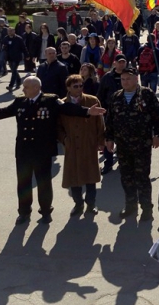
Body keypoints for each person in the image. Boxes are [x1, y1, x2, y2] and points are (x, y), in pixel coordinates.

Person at [0, 76, 105, 224]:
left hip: (42, 150)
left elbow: (68, 108)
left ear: (36, 88)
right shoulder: (20, 102)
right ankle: (24, 212)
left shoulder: (50, 100)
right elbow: (3, 112)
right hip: (24, 150)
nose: (23, 89)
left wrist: (87, 111)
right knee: (23, 183)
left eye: (26, 87)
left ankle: (45, 211)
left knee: (43, 183)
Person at [104, 67, 159, 221]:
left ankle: (146, 209)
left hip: (142, 145)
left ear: (136, 78)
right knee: (126, 177)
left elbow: (158, 116)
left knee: (142, 178)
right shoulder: (116, 97)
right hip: (122, 146)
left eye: (128, 78)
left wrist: (157, 134)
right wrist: (109, 138)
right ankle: (130, 205)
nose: (125, 82)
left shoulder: (146, 94)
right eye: (123, 79)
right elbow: (109, 120)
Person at [57, 74, 104, 216]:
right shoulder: (62, 104)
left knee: (91, 176)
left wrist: (100, 141)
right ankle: (78, 204)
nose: (79, 89)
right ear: (68, 88)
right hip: (71, 146)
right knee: (74, 177)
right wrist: (64, 140)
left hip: (88, 144)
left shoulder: (92, 100)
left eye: (81, 85)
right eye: (75, 86)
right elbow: (58, 126)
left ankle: (91, 204)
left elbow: (100, 123)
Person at [96, 55, 128, 174]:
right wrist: (101, 109)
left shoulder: (129, 76)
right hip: (109, 113)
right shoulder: (107, 77)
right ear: (114, 63)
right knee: (108, 139)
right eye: (119, 62)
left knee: (123, 139)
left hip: (125, 114)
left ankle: (123, 162)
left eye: (123, 62)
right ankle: (108, 163)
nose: (121, 64)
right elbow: (100, 94)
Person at [2, 26, 28, 91]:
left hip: (17, 57)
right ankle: (18, 81)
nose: (9, 32)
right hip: (9, 57)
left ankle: (11, 85)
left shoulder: (19, 39)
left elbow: (23, 47)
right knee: (14, 70)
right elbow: (3, 46)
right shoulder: (6, 38)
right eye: (8, 31)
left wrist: (27, 55)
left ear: (14, 31)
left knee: (13, 71)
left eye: (11, 31)